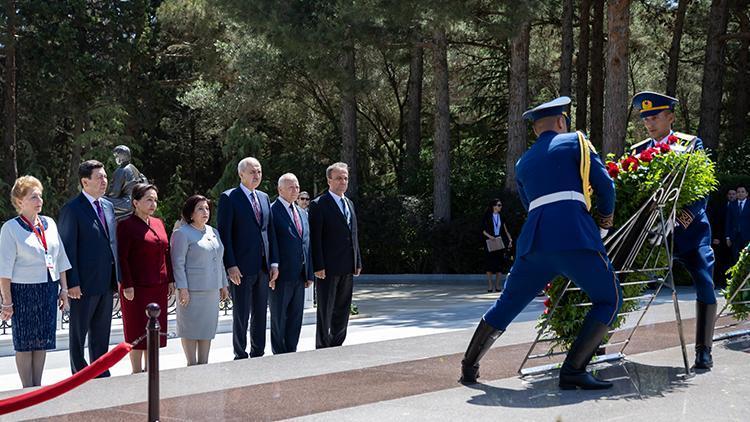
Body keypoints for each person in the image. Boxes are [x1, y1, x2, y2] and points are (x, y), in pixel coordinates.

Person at [459, 96, 622, 390]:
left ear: (536, 130)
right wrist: (604, 225)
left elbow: (528, 203)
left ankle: (469, 366)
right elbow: (605, 187)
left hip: (534, 243)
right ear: (561, 122)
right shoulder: (576, 141)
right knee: (609, 299)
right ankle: (573, 369)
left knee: (507, 304)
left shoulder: (523, 162)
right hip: (575, 236)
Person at [630, 91, 717, 370]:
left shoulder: (690, 145)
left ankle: (704, 350)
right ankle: (599, 344)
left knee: (704, 283)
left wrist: (679, 219)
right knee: (617, 278)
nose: (649, 124)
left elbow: (701, 189)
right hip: (651, 235)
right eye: (645, 119)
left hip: (689, 233)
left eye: (654, 117)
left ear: (670, 116)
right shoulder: (637, 152)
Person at [0, 176, 71, 388]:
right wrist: (7, 301)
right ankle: (26, 389)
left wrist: (64, 290)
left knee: (42, 341)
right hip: (23, 292)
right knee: (24, 343)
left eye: (40, 195)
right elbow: (4, 270)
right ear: (19, 201)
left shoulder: (49, 223)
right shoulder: (11, 228)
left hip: (47, 289)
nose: (39, 200)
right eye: (33, 196)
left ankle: (37, 387)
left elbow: (60, 259)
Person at [58, 160, 120, 377]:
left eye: (105, 176)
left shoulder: (108, 206)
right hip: (82, 285)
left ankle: (100, 371)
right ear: (85, 182)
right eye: (99, 177)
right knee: (78, 334)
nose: (104, 181)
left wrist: (117, 277)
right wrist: (72, 282)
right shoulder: (72, 209)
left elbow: (111, 244)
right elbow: (67, 249)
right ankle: (79, 373)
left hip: (106, 282)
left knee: (101, 333)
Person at [218, 157, 279, 359]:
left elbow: (270, 232)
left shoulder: (263, 197)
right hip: (241, 267)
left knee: (261, 312)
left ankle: (258, 350)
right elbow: (225, 234)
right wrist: (231, 265)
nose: (256, 175)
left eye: (259, 171)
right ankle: (240, 352)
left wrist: (274, 263)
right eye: (252, 172)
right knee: (241, 313)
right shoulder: (229, 198)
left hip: (262, 266)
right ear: (241, 174)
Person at [117, 184, 175, 373]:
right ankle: (136, 371)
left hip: (158, 286)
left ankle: (152, 371)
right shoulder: (126, 225)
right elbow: (122, 257)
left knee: (154, 331)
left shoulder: (158, 222)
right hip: (136, 288)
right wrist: (127, 284)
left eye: (155, 200)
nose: (153, 204)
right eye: (148, 199)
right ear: (135, 202)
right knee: (137, 330)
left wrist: (171, 279)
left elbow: (166, 252)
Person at [309, 162, 362, 349]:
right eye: (339, 178)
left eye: (346, 178)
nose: (343, 181)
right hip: (328, 268)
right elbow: (315, 238)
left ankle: (337, 344)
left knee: (343, 308)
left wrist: (357, 260)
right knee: (326, 310)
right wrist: (318, 265)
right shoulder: (319, 204)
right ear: (329, 180)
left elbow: (353, 233)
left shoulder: (349, 203)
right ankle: (323, 347)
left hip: (347, 265)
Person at [171, 195, 229, 366]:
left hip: (211, 290)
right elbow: (178, 264)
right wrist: (182, 288)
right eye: (200, 209)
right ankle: (192, 364)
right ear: (190, 213)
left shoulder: (213, 231)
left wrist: (223, 284)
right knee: (190, 330)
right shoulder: (181, 233)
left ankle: (204, 364)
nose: (205, 212)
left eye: (207, 208)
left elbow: (220, 261)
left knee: (206, 330)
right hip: (191, 292)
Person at [269, 174, 314, 354]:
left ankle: (291, 351)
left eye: (296, 187)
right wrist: (272, 268)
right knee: (279, 318)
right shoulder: (272, 211)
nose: (295, 190)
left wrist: (309, 272)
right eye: (290, 187)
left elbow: (306, 243)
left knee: (296, 317)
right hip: (281, 275)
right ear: (280, 190)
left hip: (299, 274)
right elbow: (270, 242)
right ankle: (279, 354)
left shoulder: (302, 213)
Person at [104, 145, 147, 220]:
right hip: (136, 201)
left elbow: (114, 194)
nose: (115, 158)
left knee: (98, 200)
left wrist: (103, 195)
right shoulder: (133, 167)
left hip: (126, 204)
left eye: (116, 156)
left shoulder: (121, 171)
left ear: (122, 157)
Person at [482, 199, 513, 293]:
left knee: (499, 264)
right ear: (494, 206)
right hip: (490, 241)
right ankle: (490, 285)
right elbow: (483, 230)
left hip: (499, 241)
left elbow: (505, 229)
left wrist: (510, 239)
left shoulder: (501, 216)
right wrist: (490, 237)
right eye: (499, 205)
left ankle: (497, 285)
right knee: (489, 264)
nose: (500, 207)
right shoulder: (487, 216)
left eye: (501, 205)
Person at [709, 189, 736, 287]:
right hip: (721, 239)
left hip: (734, 239)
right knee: (719, 261)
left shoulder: (739, 207)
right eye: (730, 194)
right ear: (727, 196)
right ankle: (719, 282)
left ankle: (730, 282)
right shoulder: (721, 207)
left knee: (732, 261)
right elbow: (716, 223)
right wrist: (715, 237)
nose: (732, 196)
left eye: (733, 194)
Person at [725, 186, 750, 263]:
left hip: (748, 237)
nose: (740, 193)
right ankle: (737, 275)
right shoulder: (732, 205)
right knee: (735, 259)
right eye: (738, 192)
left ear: (746, 194)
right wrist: (727, 237)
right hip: (734, 237)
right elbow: (728, 221)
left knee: (747, 259)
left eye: (742, 192)